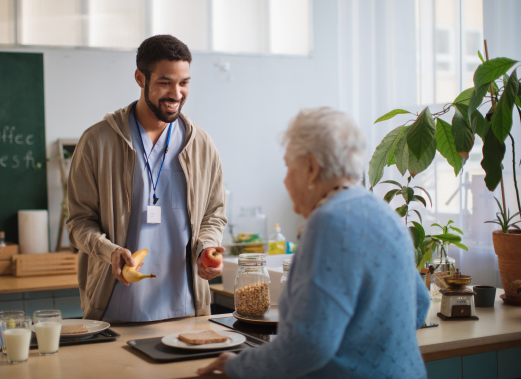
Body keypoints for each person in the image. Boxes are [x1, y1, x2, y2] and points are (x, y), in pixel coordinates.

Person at [198, 108, 430, 378]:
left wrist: (237, 365)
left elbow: (308, 345)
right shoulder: (385, 214)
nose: (284, 179)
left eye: (288, 166)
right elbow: (420, 304)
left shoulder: (329, 222)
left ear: (311, 167)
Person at [66, 35, 226, 322]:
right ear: (140, 78)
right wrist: (109, 252)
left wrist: (207, 246)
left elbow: (214, 214)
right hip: (116, 309)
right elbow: (78, 222)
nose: (176, 94)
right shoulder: (96, 142)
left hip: (186, 308)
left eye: (184, 82)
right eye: (165, 82)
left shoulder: (201, 145)